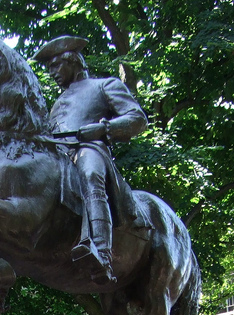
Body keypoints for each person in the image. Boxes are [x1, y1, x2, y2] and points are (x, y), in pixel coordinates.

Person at [33, 36, 148, 285]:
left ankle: (101, 252)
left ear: (72, 61)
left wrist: (101, 129)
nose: (52, 74)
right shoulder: (56, 104)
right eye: (49, 69)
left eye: (55, 67)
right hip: (58, 157)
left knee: (90, 174)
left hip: (89, 148)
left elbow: (137, 119)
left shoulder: (105, 85)